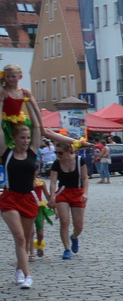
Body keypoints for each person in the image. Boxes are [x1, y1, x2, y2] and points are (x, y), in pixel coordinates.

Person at [2, 90, 43, 288]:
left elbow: (37, 126)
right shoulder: (6, 152)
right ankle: (27, 276)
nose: (26, 141)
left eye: (27, 138)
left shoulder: (33, 153)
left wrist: (30, 102)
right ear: (15, 138)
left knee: (26, 240)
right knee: (18, 236)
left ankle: (19, 269)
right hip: (9, 198)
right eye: (22, 138)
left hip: (28, 198)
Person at [49, 136, 88, 260]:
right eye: (56, 153)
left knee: (79, 225)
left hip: (77, 192)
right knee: (64, 221)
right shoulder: (56, 163)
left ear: (68, 151)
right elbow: (53, 182)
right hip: (63, 192)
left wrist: (85, 193)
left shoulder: (79, 160)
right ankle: (66, 249)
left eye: (59, 153)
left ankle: (74, 237)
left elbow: (85, 178)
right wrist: (52, 196)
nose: (57, 155)